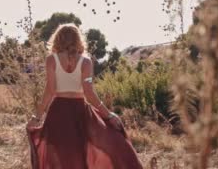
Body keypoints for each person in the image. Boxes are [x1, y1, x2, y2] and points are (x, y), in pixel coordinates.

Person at [26, 23, 143, 168]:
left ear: (57, 39)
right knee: (80, 156)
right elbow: (89, 93)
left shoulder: (51, 60)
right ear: (78, 40)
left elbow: (50, 91)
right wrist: (109, 115)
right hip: (80, 112)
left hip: (58, 112)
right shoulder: (85, 62)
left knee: (60, 156)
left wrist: (36, 117)